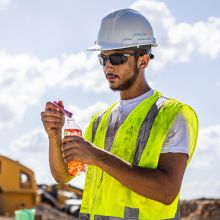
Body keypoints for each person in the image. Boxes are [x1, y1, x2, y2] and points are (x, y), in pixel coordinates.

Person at [41, 8, 198, 220]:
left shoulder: (171, 115)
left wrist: (97, 156)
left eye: (117, 58)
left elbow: (167, 191)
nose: (108, 67)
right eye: (103, 59)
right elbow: (63, 175)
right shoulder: (99, 121)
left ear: (143, 60)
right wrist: (54, 136)